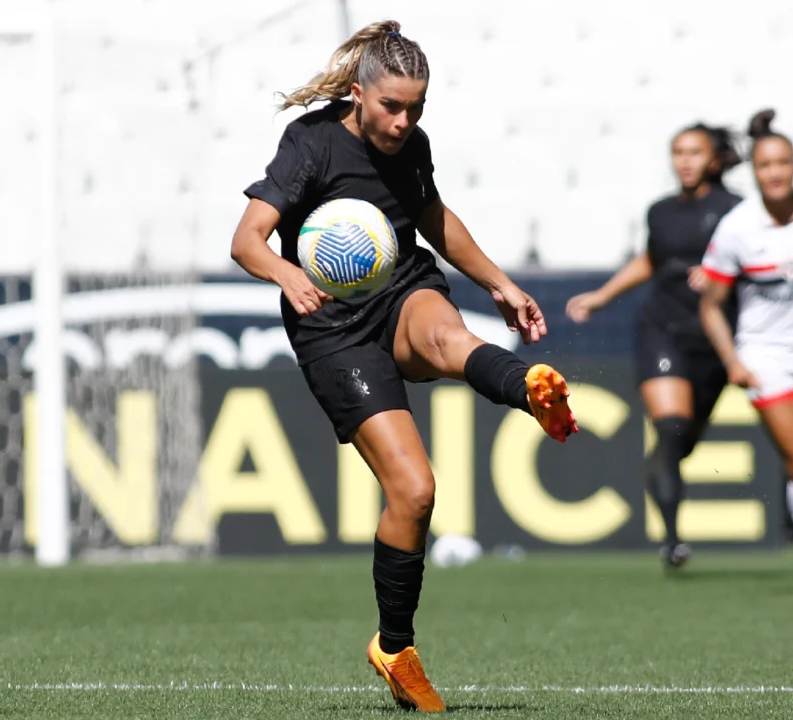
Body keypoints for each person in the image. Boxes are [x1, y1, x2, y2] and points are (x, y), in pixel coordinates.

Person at [230, 19, 578, 714]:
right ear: (359, 93)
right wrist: (285, 276)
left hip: (400, 287)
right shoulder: (312, 143)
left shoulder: (411, 145)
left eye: (416, 107)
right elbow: (246, 240)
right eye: (392, 106)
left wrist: (501, 284)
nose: (404, 119)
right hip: (331, 324)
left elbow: (432, 218)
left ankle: (529, 388)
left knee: (448, 338)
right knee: (416, 492)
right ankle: (394, 648)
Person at [566, 124, 743, 568]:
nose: (684, 160)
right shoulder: (660, 211)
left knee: (682, 442)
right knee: (668, 429)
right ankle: (672, 540)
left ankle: (666, 486)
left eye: (694, 152)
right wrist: (603, 296)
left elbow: (755, 261)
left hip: (716, 339)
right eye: (678, 152)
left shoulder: (738, 211)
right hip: (663, 328)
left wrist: (724, 274)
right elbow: (651, 259)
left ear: (714, 159)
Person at [700, 108, 793, 545]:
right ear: (754, 173)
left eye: (783, 163)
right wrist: (733, 361)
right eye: (765, 165)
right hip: (765, 355)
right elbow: (711, 306)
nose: (775, 173)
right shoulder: (737, 228)